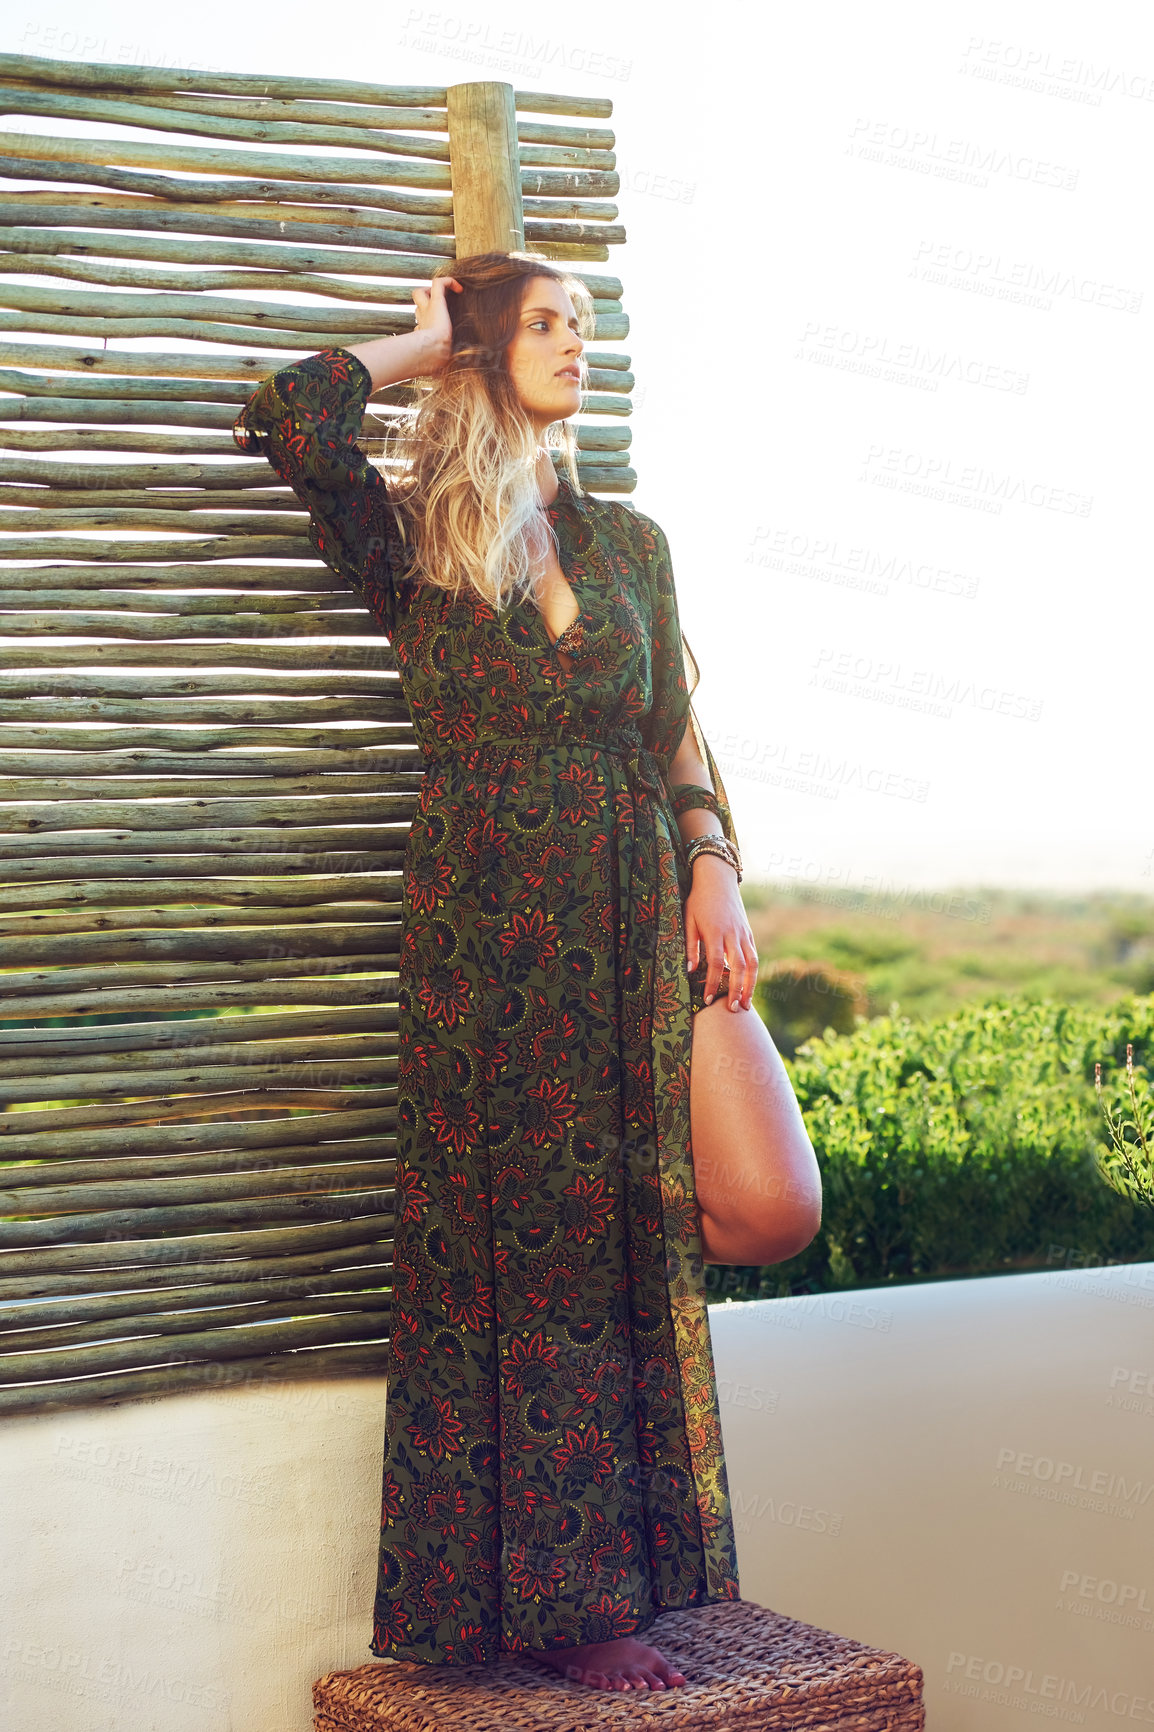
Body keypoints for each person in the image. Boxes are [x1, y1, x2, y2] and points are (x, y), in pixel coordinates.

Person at [233, 251, 821, 1694]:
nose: (577, 343)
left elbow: (675, 736)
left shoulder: (628, 540)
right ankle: (573, 1608)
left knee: (758, 1203)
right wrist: (429, 342)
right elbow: (288, 412)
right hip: (486, 939)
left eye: (584, 323)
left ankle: (606, 1576)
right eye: (546, 323)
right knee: (533, 1248)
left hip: (638, 904)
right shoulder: (414, 542)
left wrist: (714, 865)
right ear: (490, 350)